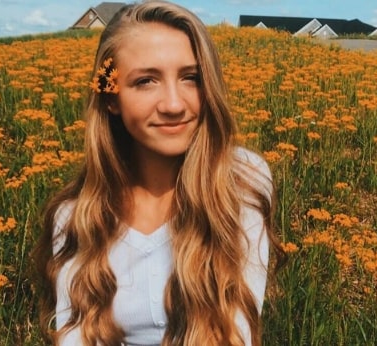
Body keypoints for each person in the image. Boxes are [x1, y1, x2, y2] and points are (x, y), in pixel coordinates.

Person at [32, 1, 284, 345]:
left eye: (191, 78)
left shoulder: (243, 181)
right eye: (146, 81)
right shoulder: (75, 216)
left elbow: (235, 333)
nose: (174, 104)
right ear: (111, 98)